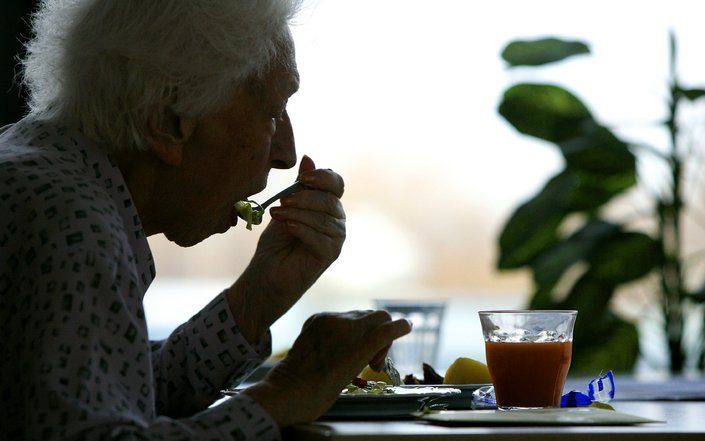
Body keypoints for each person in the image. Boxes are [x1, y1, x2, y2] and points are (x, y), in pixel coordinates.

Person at [0, 1, 412, 440]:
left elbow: (121, 396)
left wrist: (257, 300)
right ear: (169, 120)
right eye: (273, 113)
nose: (288, 154)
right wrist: (288, 392)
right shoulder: (68, 219)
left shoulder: (44, 172)